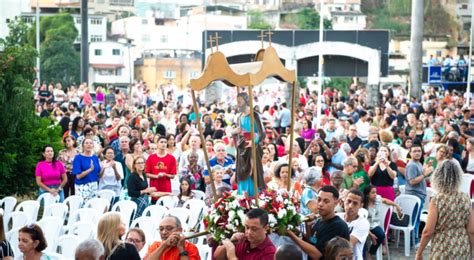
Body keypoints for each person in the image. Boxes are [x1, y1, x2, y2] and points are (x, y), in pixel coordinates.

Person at [416, 159, 474, 259]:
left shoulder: (437, 200)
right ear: (458, 177)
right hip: (462, 247)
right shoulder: (465, 198)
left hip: (442, 247)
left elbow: (428, 231)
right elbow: (471, 230)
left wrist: (419, 252)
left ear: (438, 177)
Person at [286, 185, 350, 259]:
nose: (320, 204)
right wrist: (307, 227)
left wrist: (291, 235)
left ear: (336, 203)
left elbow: (317, 255)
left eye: (326, 201)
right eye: (319, 200)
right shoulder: (320, 221)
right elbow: (312, 241)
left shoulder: (337, 226)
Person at [232, 92, 266, 196]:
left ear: (246, 102)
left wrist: (254, 141)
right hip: (242, 148)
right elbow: (238, 130)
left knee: (253, 172)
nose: (238, 104)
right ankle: (242, 196)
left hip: (252, 149)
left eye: (240, 102)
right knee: (242, 173)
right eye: (237, 102)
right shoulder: (239, 116)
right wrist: (235, 132)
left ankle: (253, 196)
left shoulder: (254, 115)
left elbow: (262, 134)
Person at [363, 185, 401, 258]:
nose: (375, 194)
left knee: (381, 234)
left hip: (374, 225)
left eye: (376, 192)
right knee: (362, 237)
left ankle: (370, 253)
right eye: (373, 193)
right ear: (367, 194)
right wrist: (369, 233)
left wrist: (396, 206)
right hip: (365, 225)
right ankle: (363, 254)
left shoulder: (377, 199)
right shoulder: (363, 204)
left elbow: (386, 201)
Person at [405, 144, 433, 245]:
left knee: (416, 219)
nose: (417, 153)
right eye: (415, 151)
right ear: (410, 153)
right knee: (414, 220)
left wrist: (427, 168)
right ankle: (414, 241)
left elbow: (421, 177)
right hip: (414, 196)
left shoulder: (418, 163)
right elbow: (412, 181)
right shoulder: (412, 165)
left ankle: (414, 240)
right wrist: (425, 174)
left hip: (419, 195)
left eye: (419, 151)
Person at [336, 189, 369, 260]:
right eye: (349, 201)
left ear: (361, 206)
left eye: (355, 203)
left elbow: (347, 245)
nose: (350, 206)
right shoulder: (337, 217)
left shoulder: (363, 223)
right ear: (344, 201)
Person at [146, 136, 177, 205]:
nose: (163, 144)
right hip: (154, 190)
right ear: (157, 144)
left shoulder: (171, 158)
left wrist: (165, 175)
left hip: (166, 189)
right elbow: (147, 174)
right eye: (161, 142)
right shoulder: (151, 157)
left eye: (165, 142)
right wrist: (157, 176)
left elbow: (173, 175)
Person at [72, 137, 101, 202]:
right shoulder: (78, 157)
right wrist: (90, 170)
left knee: (93, 206)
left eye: (91, 143)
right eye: (86, 143)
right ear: (83, 145)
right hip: (82, 186)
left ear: (93, 145)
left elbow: (98, 173)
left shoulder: (95, 157)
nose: (89, 145)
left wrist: (105, 167)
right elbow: (78, 176)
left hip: (94, 185)